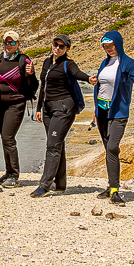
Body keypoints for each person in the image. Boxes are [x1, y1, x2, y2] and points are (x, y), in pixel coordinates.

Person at [92, 30, 134, 206]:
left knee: (112, 147)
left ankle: (115, 191)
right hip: (102, 112)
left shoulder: (128, 63)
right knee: (108, 149)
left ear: (118, 43)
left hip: (118, 112)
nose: (109, 49)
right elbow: (102, 85)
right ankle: (111, 186)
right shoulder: (105, 62)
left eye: (111, 45)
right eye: (105, 46)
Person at [31, 34, 92, 198]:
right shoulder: (46, 62)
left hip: (63, 108)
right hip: (48, 109)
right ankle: (60, 183)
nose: (57, 48)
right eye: (55, 45)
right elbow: (43, 85)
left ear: (67, 49)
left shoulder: (68, 64)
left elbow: (77, 73)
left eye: (61, 46)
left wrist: (89, 79)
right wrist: (39, 108)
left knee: (52, 145)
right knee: (57, 144)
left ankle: (44, 185)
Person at [0, 30, 38, 188]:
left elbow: (34, 86)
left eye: (12, 42)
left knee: (8, 137)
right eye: (6, 42)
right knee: (5, 139)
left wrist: (30, 75)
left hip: (15, 104)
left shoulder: (23, 61)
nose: (9, 45)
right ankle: (8, 172)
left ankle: (14, 175)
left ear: (18, 44)